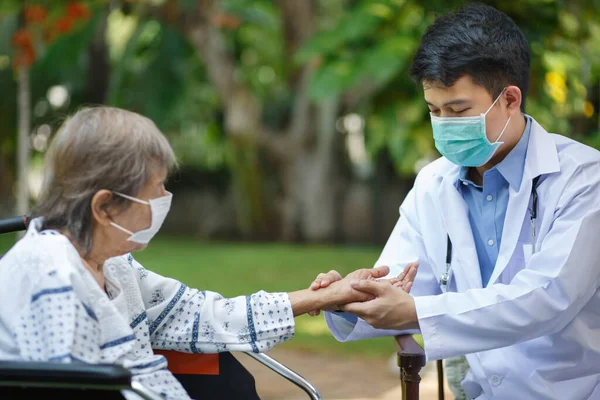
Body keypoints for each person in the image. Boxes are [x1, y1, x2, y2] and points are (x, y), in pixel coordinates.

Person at [0, 107, 414, 400]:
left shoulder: (113, 264)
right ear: (104, 206)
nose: (166, 198)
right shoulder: (50, 279)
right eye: (156, 189)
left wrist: (328, 297)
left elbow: (199, 314)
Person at [313, 3, 600, 399]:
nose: (445, 124)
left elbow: (548, 298)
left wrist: (414, 312)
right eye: (434, 110)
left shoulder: (584, 179)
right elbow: (403, 285)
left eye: (458, 110)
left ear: (510, 99)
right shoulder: (433, 184)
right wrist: (347, 298)